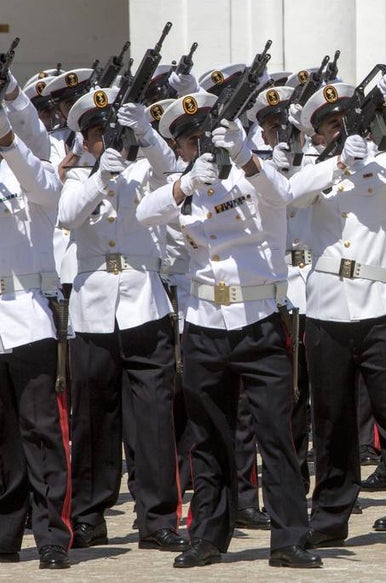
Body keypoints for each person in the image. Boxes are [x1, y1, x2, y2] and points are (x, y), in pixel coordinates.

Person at [137, 91, 319, 569]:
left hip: (257, 321)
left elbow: (283, 195)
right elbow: (144, 214)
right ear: (177, 148)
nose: (197, 148)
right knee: (208, 434)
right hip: (203, 325)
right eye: (187, 142)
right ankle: (208, 535)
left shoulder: (251, 175)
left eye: (203, 138)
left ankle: (289, 538)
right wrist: (183, 186)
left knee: (275, 434)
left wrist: (243, 154)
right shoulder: (185, 184)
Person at [286, 76, 386, 556]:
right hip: (326, 308)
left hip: (377, 306)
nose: (336, 129)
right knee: (331, 420)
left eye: (341, 121)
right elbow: (286, 195)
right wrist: (335, 164)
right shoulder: (316, 172)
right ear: (317, 134)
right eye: (327, 125)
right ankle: (330, 516)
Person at [58, 88, 186, 552]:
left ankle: (158, 519)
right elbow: (69, 216)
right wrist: (99, 178)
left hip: (143, 305)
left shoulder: (142, 171)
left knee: (152, 418)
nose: (104, 143)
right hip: (92, 309)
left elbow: (171, 169)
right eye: (96, 135)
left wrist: (145, 131)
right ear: (84, 141)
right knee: (93, 418)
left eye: (110, 134)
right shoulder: (76, 179)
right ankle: (90, 516)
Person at [0, 97, 73, 570]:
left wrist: (8, 138)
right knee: (3, 437)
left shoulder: (37, 174)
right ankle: (6, 531)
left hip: (27, 317)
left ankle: (52, 534)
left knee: (41, 431)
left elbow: (40, 185)